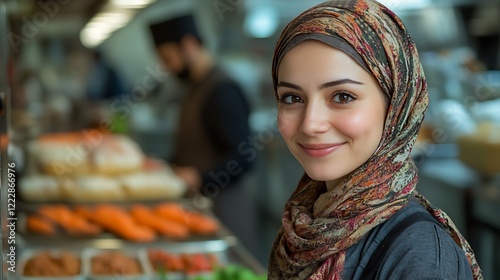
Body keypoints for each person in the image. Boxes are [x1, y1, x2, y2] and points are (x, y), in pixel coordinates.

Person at [267, 1, 483, 279]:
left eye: (342, 97)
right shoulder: (305, 225)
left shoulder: (419, 255)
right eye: (292, 98)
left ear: (396, 107)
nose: (310, 124)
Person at [148, 14, 260, 257]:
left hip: (225, 212)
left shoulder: (222, 91)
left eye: (169, 58)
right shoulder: (194, 87)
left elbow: (245, 158)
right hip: (199, 210)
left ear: (188, 45)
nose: (168, 67)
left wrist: (199, 177)